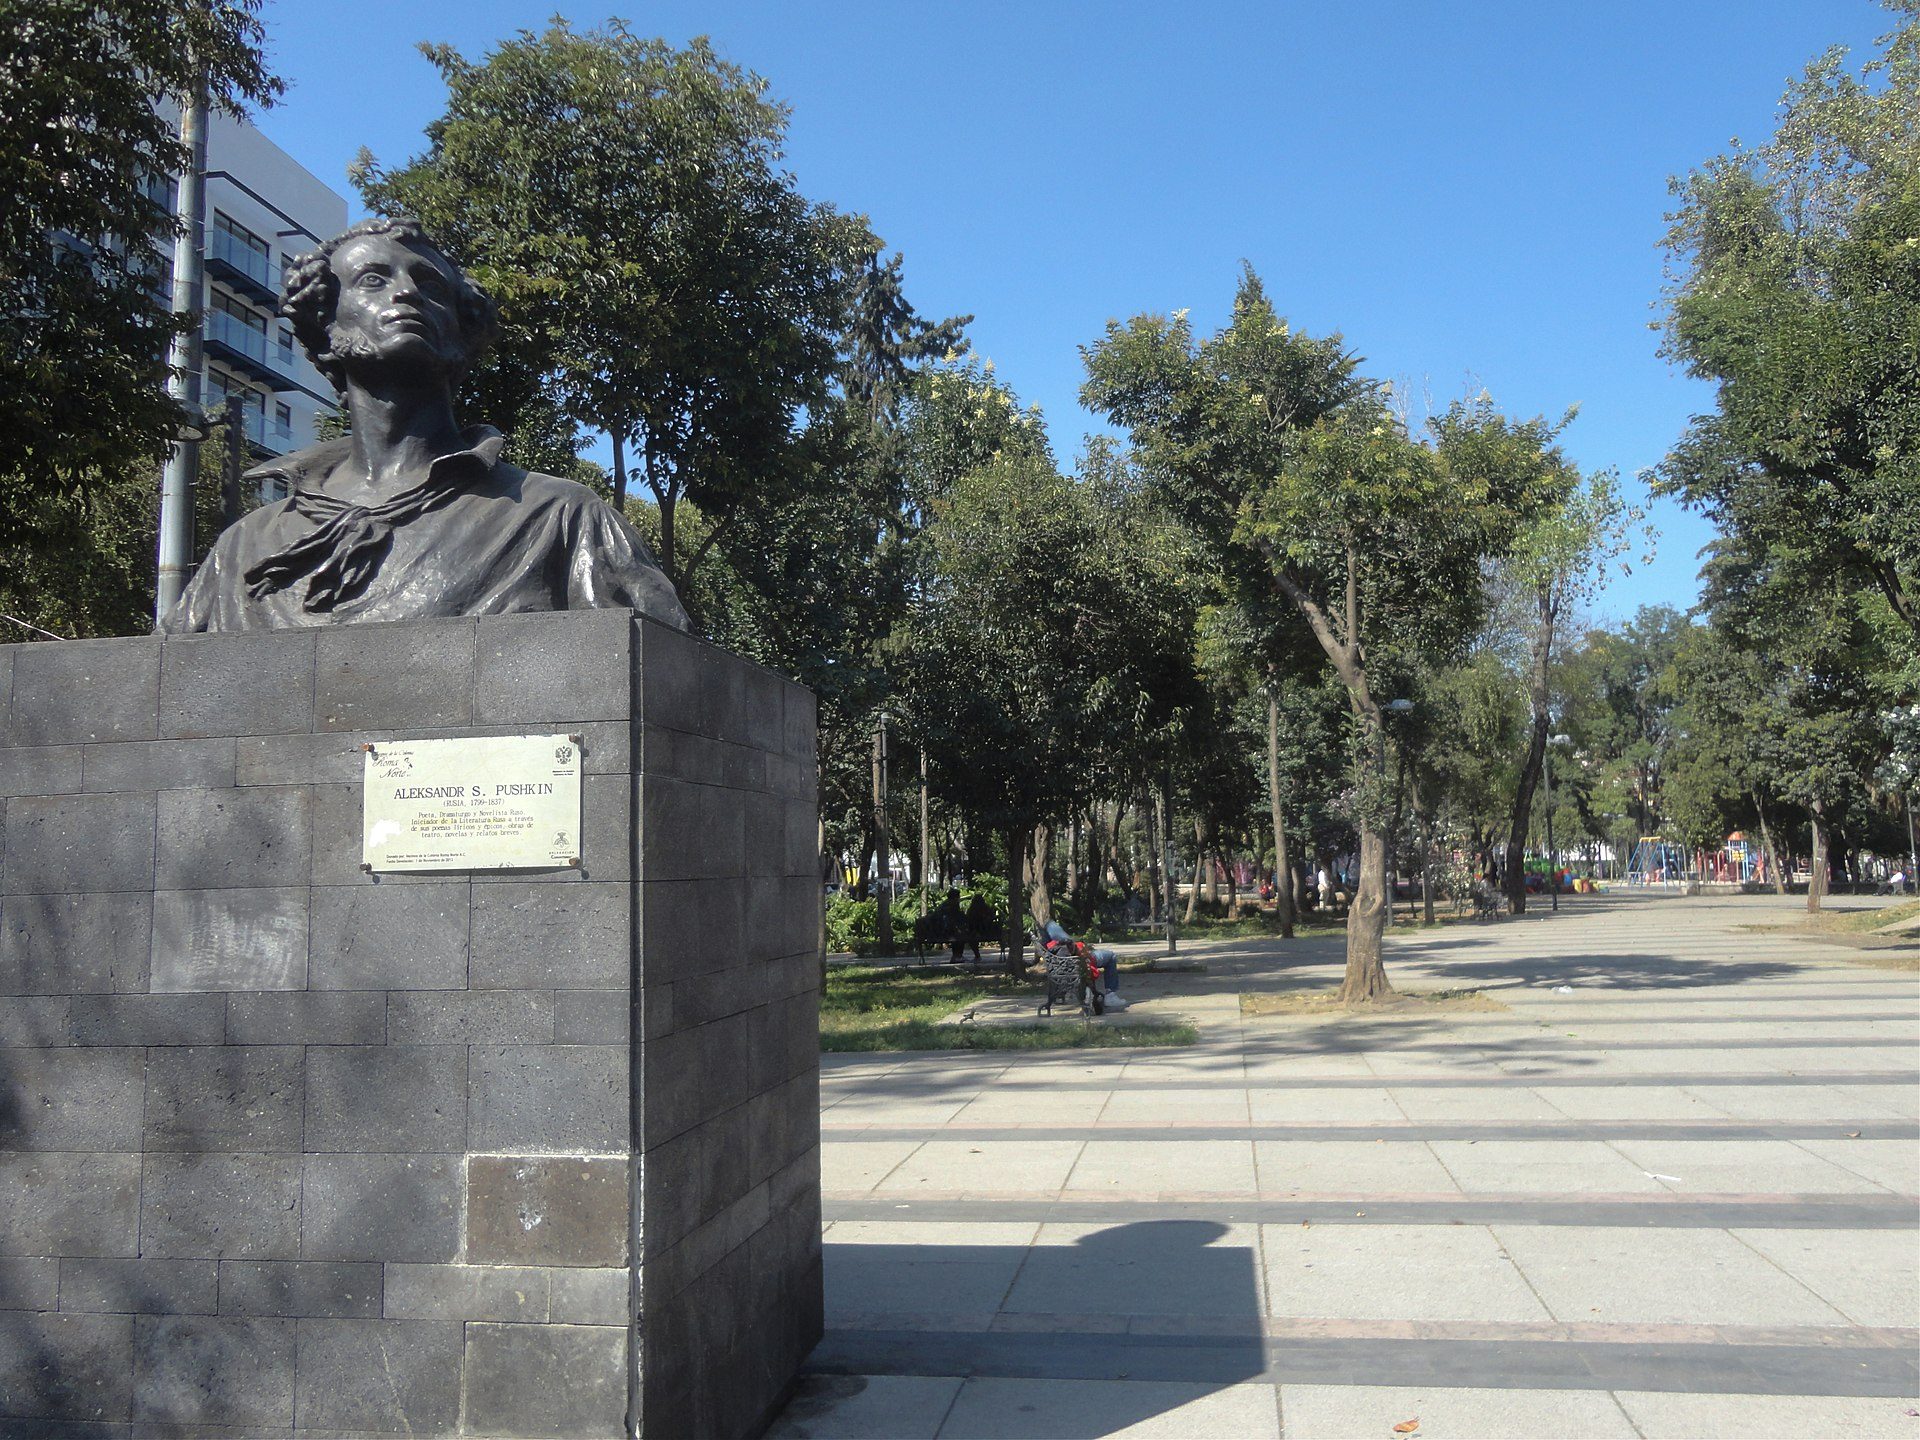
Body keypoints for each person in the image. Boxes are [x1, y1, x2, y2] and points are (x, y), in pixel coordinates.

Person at [161, 218, 688, 633]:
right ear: (324, 325)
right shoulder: (243, 548)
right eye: (373, 279)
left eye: (430, 285)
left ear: (462, 331)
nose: (407, 293)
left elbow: (665, 683)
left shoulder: (560, 518)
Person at [1040, 919, 1127, 1010]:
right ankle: (1110, 995)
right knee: (1111, 956)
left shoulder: (1048, 946)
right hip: (1082, 959)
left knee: (1051, 925)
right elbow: (1071, 946)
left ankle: (1048, 924)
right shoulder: (1063, 944)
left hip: (1071, 959)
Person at [936, 887, 966, 962]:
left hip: (941, 930)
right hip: (943, 931)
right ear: (955, 898)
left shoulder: (946, 904)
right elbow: (952, 920)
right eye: (958, 897)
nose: (959, 898)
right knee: (960, 936)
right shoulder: (951, 906)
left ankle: (957, 956)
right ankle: (958, 956)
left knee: (959, 934)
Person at [963, 892, 993, 963]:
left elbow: (968, 921)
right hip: (987, 932)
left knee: (971, 938)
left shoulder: (971, 910)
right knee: (972, 937)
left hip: (976, 932)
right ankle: (977, 956)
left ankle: (977, 955)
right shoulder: (987, 909)